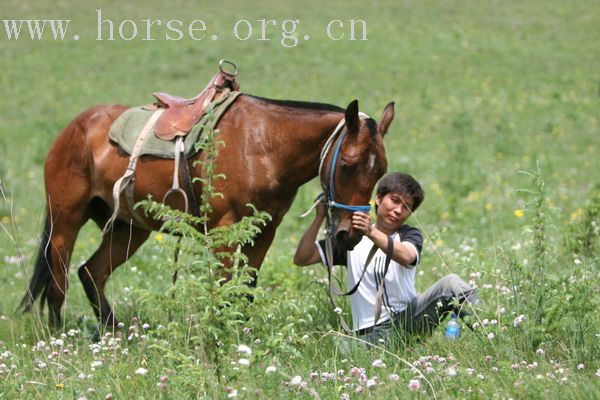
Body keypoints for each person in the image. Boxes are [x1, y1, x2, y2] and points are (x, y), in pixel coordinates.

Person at [294, 172, 480, 345]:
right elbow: (303, 257)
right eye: (394, 200)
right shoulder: (353, 240)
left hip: (406, 323)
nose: (398, 210)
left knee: (451, 284)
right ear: (378, 198)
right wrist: (319, 217)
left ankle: (491, 330)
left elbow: (407, 256)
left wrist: (371, 231)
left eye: (406, 206)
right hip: (368, 335)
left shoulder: (409, 234)